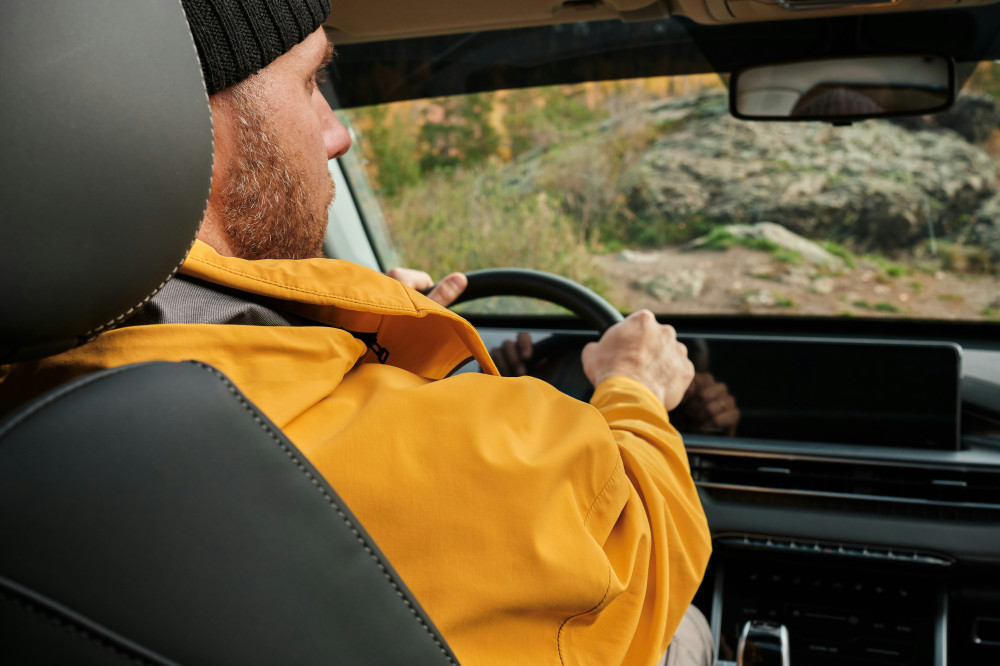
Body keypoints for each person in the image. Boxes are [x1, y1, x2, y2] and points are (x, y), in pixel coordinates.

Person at [0, 1, 712, 664]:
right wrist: (635, 386)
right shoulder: (313, 436)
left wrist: (350, 334)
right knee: (688, 633)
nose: (339, 134)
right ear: (175, 128)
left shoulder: (39, 383)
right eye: (311, 82)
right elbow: (641, 555)